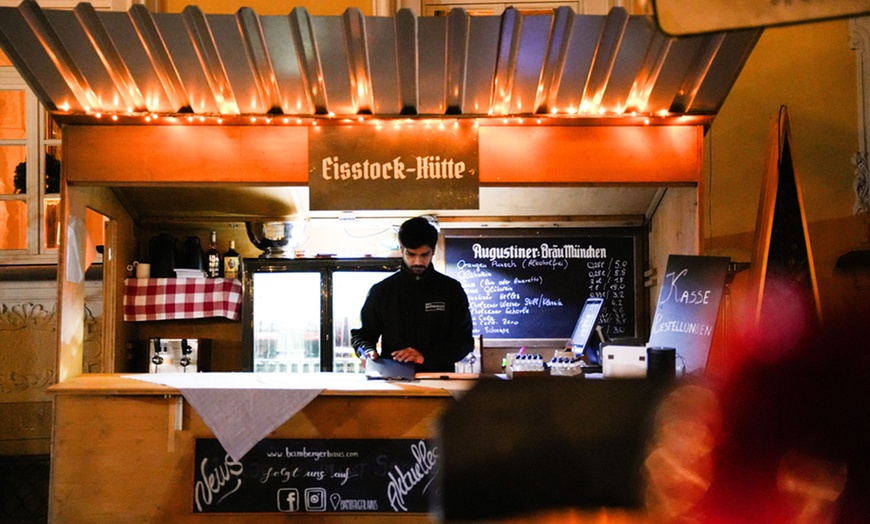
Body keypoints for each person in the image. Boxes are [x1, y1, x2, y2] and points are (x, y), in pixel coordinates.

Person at [351, 216, 474, 373]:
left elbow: (463, 342)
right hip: (393, 380)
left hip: (439, 379)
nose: (417, 261)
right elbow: (361, 336)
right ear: (401, 249)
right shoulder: (381, 291)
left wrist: (425, 356)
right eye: (411, 254)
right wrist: (366, 351)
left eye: (424, 255)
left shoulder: (451, 290)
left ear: (434, 250)